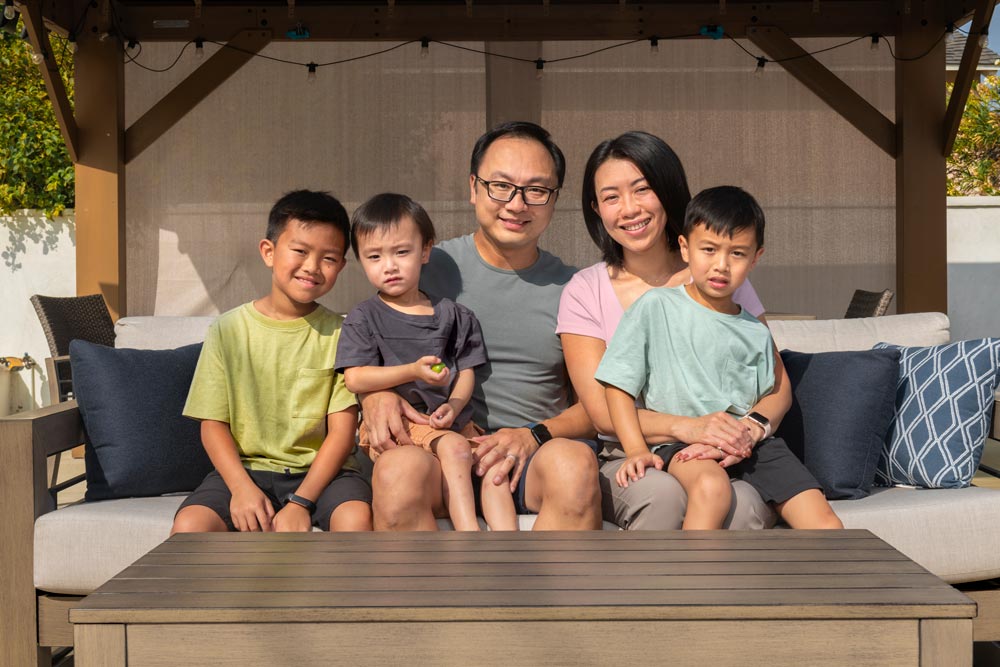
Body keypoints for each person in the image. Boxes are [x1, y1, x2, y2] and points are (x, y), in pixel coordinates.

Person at [360, 121, 602, 531]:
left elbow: (596, 407)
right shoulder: (420, 265)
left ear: (553, 199)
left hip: (531, 455)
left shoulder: (575, 287)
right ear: (474, 187)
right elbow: (364, 343)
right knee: (397, 473)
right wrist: (375, 395)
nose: (517, 203)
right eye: (501, 186)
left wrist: (533, 435)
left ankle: (552, 596)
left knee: (574, 465)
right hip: (433, 447)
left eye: (536, 190)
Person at [557, 130, 781, 530]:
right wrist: (689, 426)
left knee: (745, 500)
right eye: (611, 197)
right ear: (596, 209)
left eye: (642, 190)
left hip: (721, 450)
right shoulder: (584, 290)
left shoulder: (720, 274)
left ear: (668, 189)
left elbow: (775, 380)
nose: (628, 209)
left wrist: (749, 428)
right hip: (629, 451)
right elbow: (601, 412)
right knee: (662, 495)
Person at [597, 185, 842, 530]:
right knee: (712, 488)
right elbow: (617, 387)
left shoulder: (755, 330)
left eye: (738, 254)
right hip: (679, 443)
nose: (721, 265)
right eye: (709, 250)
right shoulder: (656, 307)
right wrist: (637, 450)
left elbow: (769, 396)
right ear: (685, 247)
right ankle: (693, 584)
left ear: (756, 257)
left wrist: (747, 433)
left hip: (749, 446)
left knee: (825, 525)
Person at [171, 190, 372, 534]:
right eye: (300, 251)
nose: (312, 266)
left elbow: (341, 433)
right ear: (268, 251)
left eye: (328, 258)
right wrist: (241, 488)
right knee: (189, 527)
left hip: (325, 476)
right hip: (246, 471)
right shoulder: (228, 330)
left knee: (355, 521)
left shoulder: (344, 333)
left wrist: (301, 502)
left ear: (341, 266)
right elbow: (213, 424)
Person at [336, 193, 516, 531]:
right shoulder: (364, 317)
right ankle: (469, 538)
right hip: (403, 428)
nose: (389, 265)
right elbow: (355, 378)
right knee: (455, 449)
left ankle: (509, 546)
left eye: (401, 252)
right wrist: (411, 371)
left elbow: (466, 372)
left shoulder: (454, 314)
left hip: (452, 423)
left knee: (496, 467)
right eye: (374, 256)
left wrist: (455, 404)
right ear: (361, 261)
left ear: (425, 251)